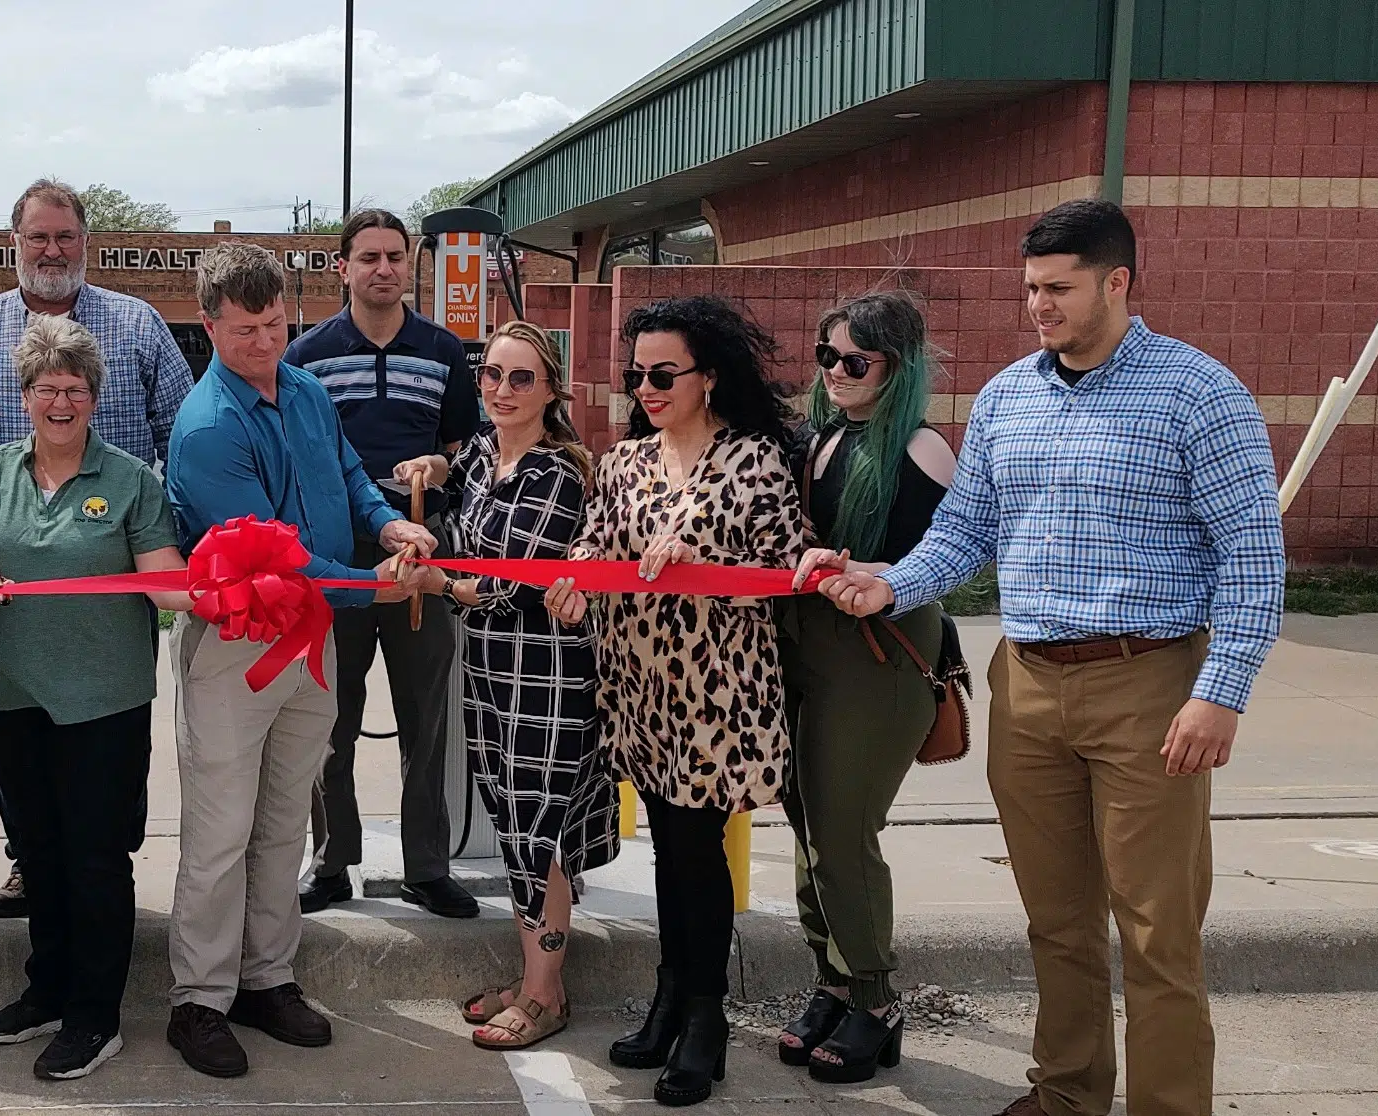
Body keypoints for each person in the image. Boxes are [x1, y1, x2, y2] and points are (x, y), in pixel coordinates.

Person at [815, 199, 1285, 1116]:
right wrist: (891, 585)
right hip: (1027, 685)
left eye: (1059, 287)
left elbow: (1254, 561)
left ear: (1118, 282)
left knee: (1156, 934)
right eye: (1031, 287)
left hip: (1150, 685)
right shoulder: (1007, 396)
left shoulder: (1201, 393)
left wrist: (1219, 693)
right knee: (1057, 921)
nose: (1040, 305)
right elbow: (966, 533)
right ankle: (1067, 1093)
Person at [161, 243, 437, 1079]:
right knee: (219, 831)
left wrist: (389, 525)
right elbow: (274, 563)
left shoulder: (309, 389)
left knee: (284, 822)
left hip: (310, 638)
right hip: (240, 647)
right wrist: (378, 590)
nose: (265, 344)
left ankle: (266, 977)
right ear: (209, 327)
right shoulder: (207, 427)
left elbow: (349, 477)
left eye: (277, 324)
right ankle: (199, 1000)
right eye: (245, 332)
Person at [0, 178, 195, 920]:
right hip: (7, 587)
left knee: (108, 756)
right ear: (16, 244)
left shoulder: (137, 325)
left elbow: (183, 441)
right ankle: (29, 866)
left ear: (85, 242)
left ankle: (104, 863)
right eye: (39, 237)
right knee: (21, 736)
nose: (53, 250)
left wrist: (168, 556)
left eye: (65, 236)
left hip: (111, 586)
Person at [542, 294, 808, 1108]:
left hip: (716, 693)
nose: (645, 388)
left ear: (709, 376)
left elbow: (790, 559)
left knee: (696, 856)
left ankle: (704, 1019)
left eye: (663, 373)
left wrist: (704, 549)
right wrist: (576, 579)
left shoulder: (755, 459)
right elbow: (597, 540)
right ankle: (671, 997)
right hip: (639, 687)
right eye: (636, 375)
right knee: (667, 849)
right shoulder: (624, 462)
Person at [0, 315, 194, 1081]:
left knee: (95, 858)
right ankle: (45, 990)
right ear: (24, 396)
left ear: (94, 399)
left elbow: (167, 579)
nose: (60, 402)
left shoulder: (131, 480)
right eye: (47, 388)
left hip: (104, 704)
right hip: (12, 693)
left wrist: (240, 583)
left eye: (74, 390)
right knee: (38, 853)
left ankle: (94, 1014)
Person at [391, 321, 615, 1050]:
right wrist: (435, 466)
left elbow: (508, 584)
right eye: (491, 374)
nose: (501, 390)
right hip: (490, 668)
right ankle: (530, 978)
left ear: (552, 389)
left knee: (537, 830)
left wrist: (437, 580)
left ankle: (546, 995)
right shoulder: (487, 450)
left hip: (547, 674)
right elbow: (462, 490)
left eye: (521, 378)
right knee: (515, 819)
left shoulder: (555, 472)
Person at [771, 291, 958, 1084]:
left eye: (856, 361)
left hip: (882, 652)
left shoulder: (923, 449)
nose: (836, 373)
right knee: (808, 824)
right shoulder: (816, 440)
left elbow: (949, 555)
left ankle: (876, 1000)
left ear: (898, 366)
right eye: (826, 357)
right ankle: (835, 982)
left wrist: (879, 573)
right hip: (806, 646)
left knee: (843, 830)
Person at [284, 208, 481, 919]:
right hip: (338, 555)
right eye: (368, 257)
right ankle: (332, 858)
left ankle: (427, 867)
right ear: (344, 267)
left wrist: (439, 463)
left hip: (421, 548)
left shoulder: (443, 349)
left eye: (395, 257)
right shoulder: (305, 355)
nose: (383, 269)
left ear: (410, 265)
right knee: (328, 716)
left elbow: (468, 447)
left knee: (425, 716)